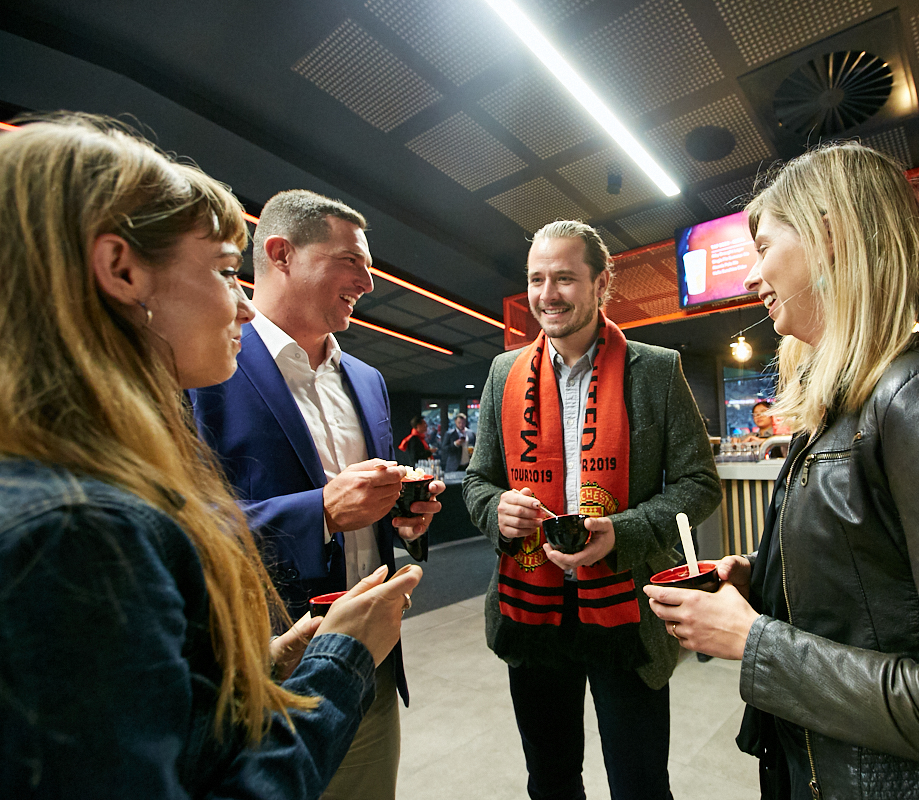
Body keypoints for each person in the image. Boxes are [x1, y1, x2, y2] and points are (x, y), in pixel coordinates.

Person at [0, 114, 421, 798]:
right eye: (228, 271)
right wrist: (339, 663)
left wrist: (258, 666)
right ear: (121, 269)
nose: (244, 309)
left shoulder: (66, 486)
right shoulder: (74, 532)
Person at [645, 144, 919, 800]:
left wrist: (754, 643)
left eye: (765, 246)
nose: (752, 277)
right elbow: (876, 574)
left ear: (831, 235)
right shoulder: (843, 405)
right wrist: (760, 576)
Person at [191, 189, 443, 800]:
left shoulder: (368, 379)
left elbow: (368, 514)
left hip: (370, 662)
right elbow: (189, 527)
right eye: (351, 261)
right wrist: (322, 511)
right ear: (280, 253)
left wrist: (402, 517)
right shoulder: (207, 364)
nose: (369, 282)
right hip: (268, 671)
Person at [463, 220, 721, 800]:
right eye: (535, 279)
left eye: (563, 278)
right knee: (550, 781)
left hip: (626, 613)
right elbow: (479, 480)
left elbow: (699, 482)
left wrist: (623, 531)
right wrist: (495, 509)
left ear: (601, 283)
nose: (546, 295)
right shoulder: (503, 373)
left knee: (640, 783)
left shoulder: (654, 369)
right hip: (531, 611)